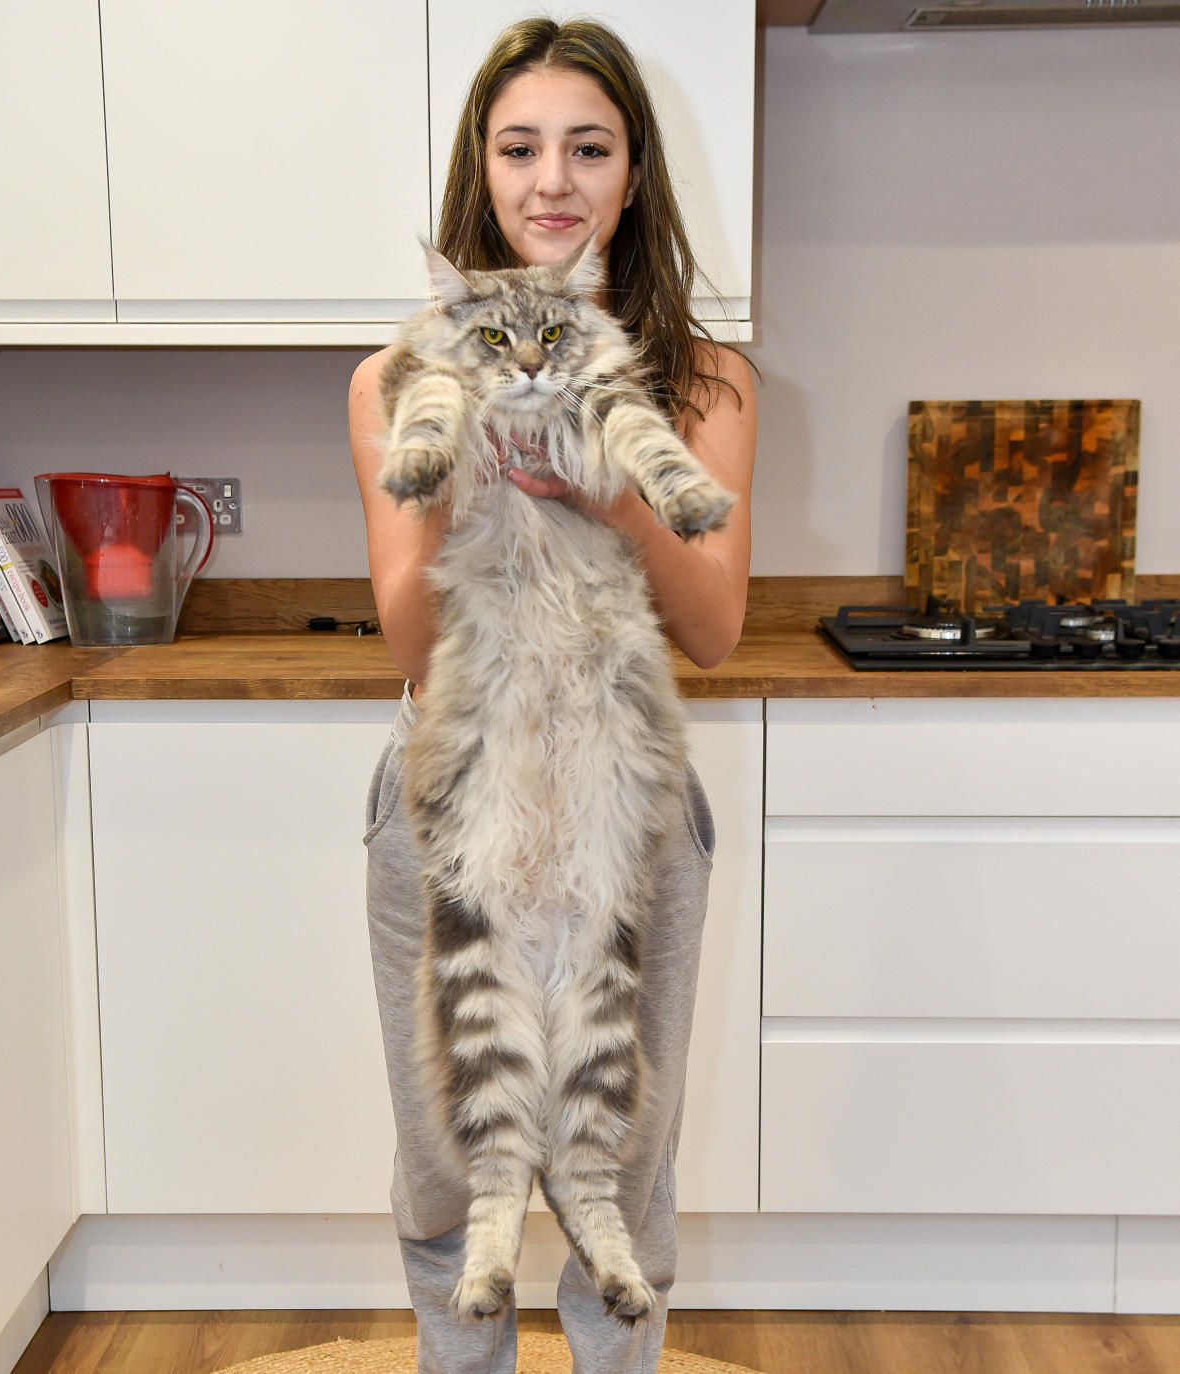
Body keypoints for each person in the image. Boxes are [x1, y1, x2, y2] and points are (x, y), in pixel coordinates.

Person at [347, 16, 756, 1374]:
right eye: (519, 148)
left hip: (624, 804)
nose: (551, 180)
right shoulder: (395, 379)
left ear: (631, 176)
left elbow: (713, 627)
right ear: (483, 168)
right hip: (457, 790)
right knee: (449, 1149)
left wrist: (606, 492)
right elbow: (407, 634)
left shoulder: (702, 381)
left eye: (589, 147)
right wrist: (465, 469)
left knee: (618, 1156)